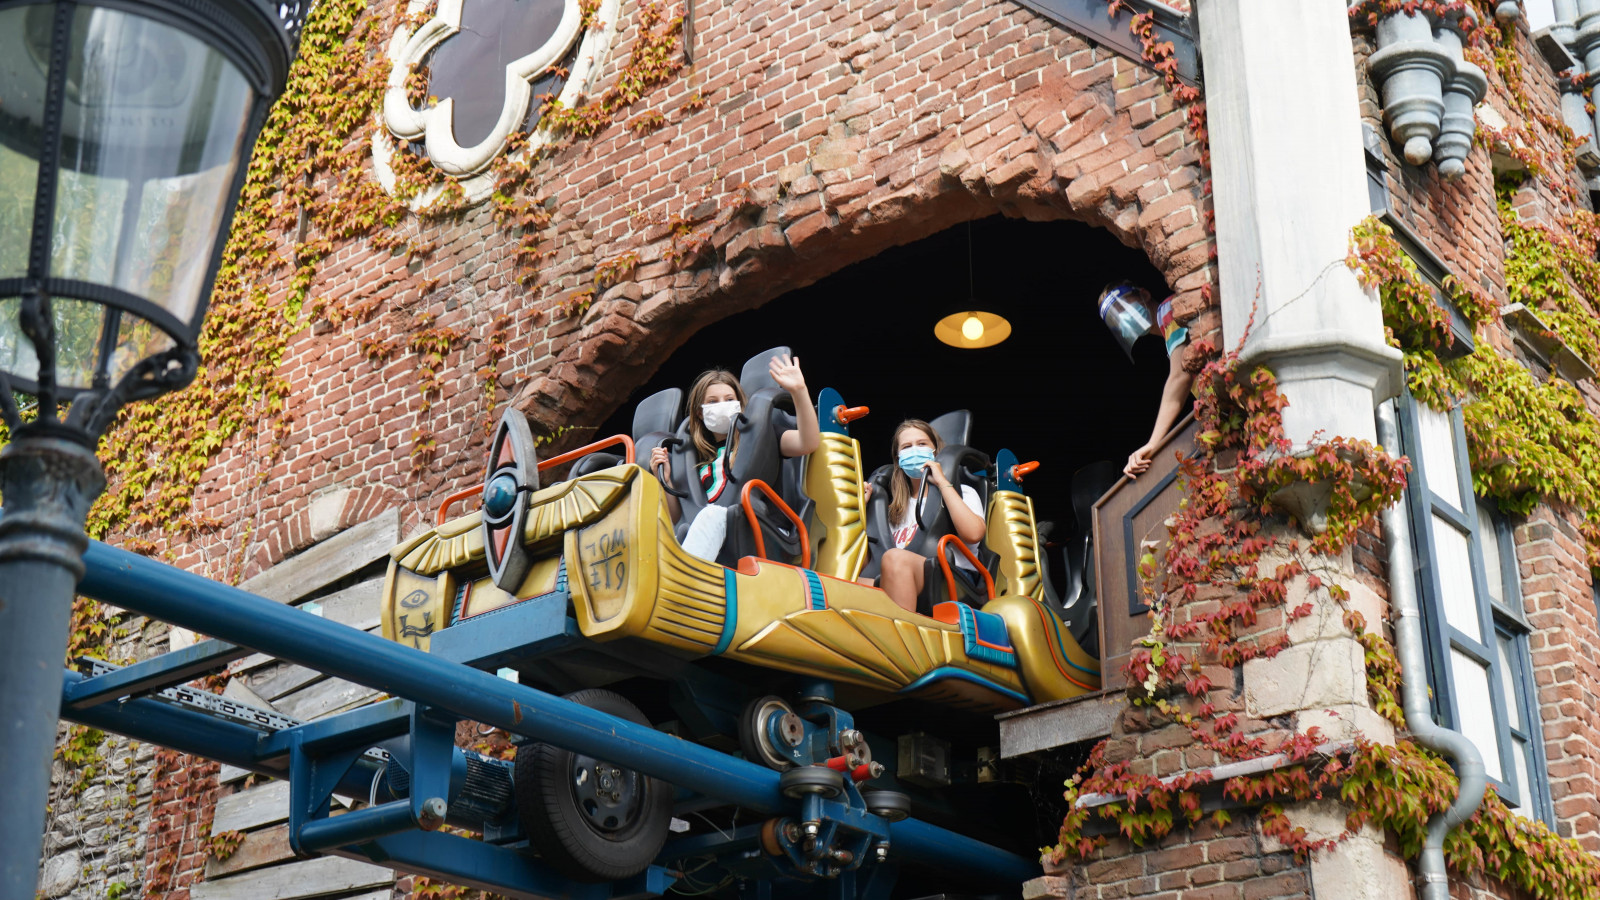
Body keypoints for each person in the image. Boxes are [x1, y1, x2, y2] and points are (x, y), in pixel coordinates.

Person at [649, 352, 819, 560]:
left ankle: (684, 585)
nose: (722, 405)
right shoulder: (698, 460)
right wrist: (665, 479)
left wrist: (799, 391)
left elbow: (808, 442)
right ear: (700, 412)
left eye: (729, 399)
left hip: (762, 532)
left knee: (712, 515)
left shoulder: (762, 435)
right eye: (712, 402)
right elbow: (677, 516)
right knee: (668, 536)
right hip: (713, 538)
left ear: (739, 404)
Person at [867, 420, 987, 613]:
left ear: (936, 450)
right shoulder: (894, 511)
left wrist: (942, 482)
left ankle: (902, 638)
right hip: (900, 578)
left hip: (953, 579)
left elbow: (974, 534)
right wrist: (862, 508)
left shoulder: (962, 491)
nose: (914, 450)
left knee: (896, 558)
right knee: (847, 579)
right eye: (906, 446)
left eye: (922, 444)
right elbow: (870, 560)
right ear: (898, 458)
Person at [1098, 281, 1193, 479]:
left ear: (1145, 294)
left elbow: (1179, 377)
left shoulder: (1169, 310)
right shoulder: (1167, 334)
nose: (1122, 317)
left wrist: (1152, 443)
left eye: (1122, 306)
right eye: (1115, 318)